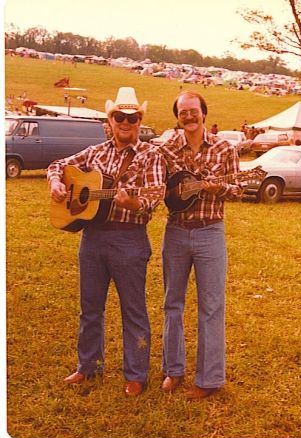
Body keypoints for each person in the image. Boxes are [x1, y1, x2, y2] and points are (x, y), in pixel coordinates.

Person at [47, 87, 166, 397]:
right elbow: (57, 165)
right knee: (90, 309)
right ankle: (88, 367)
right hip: (93, 238)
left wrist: (133, 204)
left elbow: (154, 196)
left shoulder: (151, 154)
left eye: (132, 117)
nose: (125, 122)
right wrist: (57, 183)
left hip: (129, 240)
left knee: (133, 311)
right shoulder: (96, 152)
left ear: (139, 120)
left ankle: (136, 374)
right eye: (119, 116)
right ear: (110, 120)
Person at [159, 91, 242, 400]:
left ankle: (208, 380)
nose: (189, 116)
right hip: (176, 232)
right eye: (183, 112)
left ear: (204, 113)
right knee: (172, 303)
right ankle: (173, 370)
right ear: (178, 117)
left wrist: (217, 187)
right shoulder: (167, 150)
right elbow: (162, 190)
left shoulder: (224, 149)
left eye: (194, 111)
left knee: (211, 306)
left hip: (210, 232)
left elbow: (237, 189)